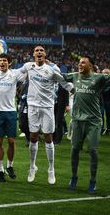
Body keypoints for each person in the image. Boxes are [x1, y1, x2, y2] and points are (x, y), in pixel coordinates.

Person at [18, 45, 73, 185]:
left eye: (41, 50)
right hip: (33, 107)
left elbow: (64, 83)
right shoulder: (29, 66)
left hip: (48, 107)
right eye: (37, 50)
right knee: (33, 136)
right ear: (33, 54)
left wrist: (75, 90)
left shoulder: (52, 69)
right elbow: (15, 74)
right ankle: (32, 167)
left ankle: (51, 169)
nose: (39, 52)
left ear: (45, 54)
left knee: (49, 137)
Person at [64, 56, 110, 194]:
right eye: (79, 62)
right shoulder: (75, 76)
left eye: (83, 62)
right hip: (77, 120)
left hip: (93, 121)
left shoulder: (99, 78)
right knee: (74, 149)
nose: (79, 64)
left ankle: (93, 181)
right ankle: (74, 177)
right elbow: (60, 76)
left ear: (90, 66)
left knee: (93, 150)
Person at [0, 53, 25, 182]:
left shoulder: (15, 74)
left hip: (11, 112)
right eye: (0, 61)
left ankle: (10, 166)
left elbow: (27, 73)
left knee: (12, 141)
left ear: (9, 63)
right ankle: (1, 170)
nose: (2, 63)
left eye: (5, 61)